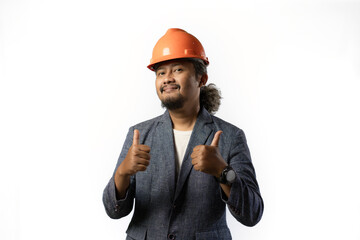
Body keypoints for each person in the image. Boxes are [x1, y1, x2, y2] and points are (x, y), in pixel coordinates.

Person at [103, 28, 263, 240]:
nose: (167, 78)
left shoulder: (231, 137)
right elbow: (113, 211)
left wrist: (223, 171)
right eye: (161, 72)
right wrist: (123, 172)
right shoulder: (139, 134)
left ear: (201, 78)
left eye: (177, 69)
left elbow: (252, 214)